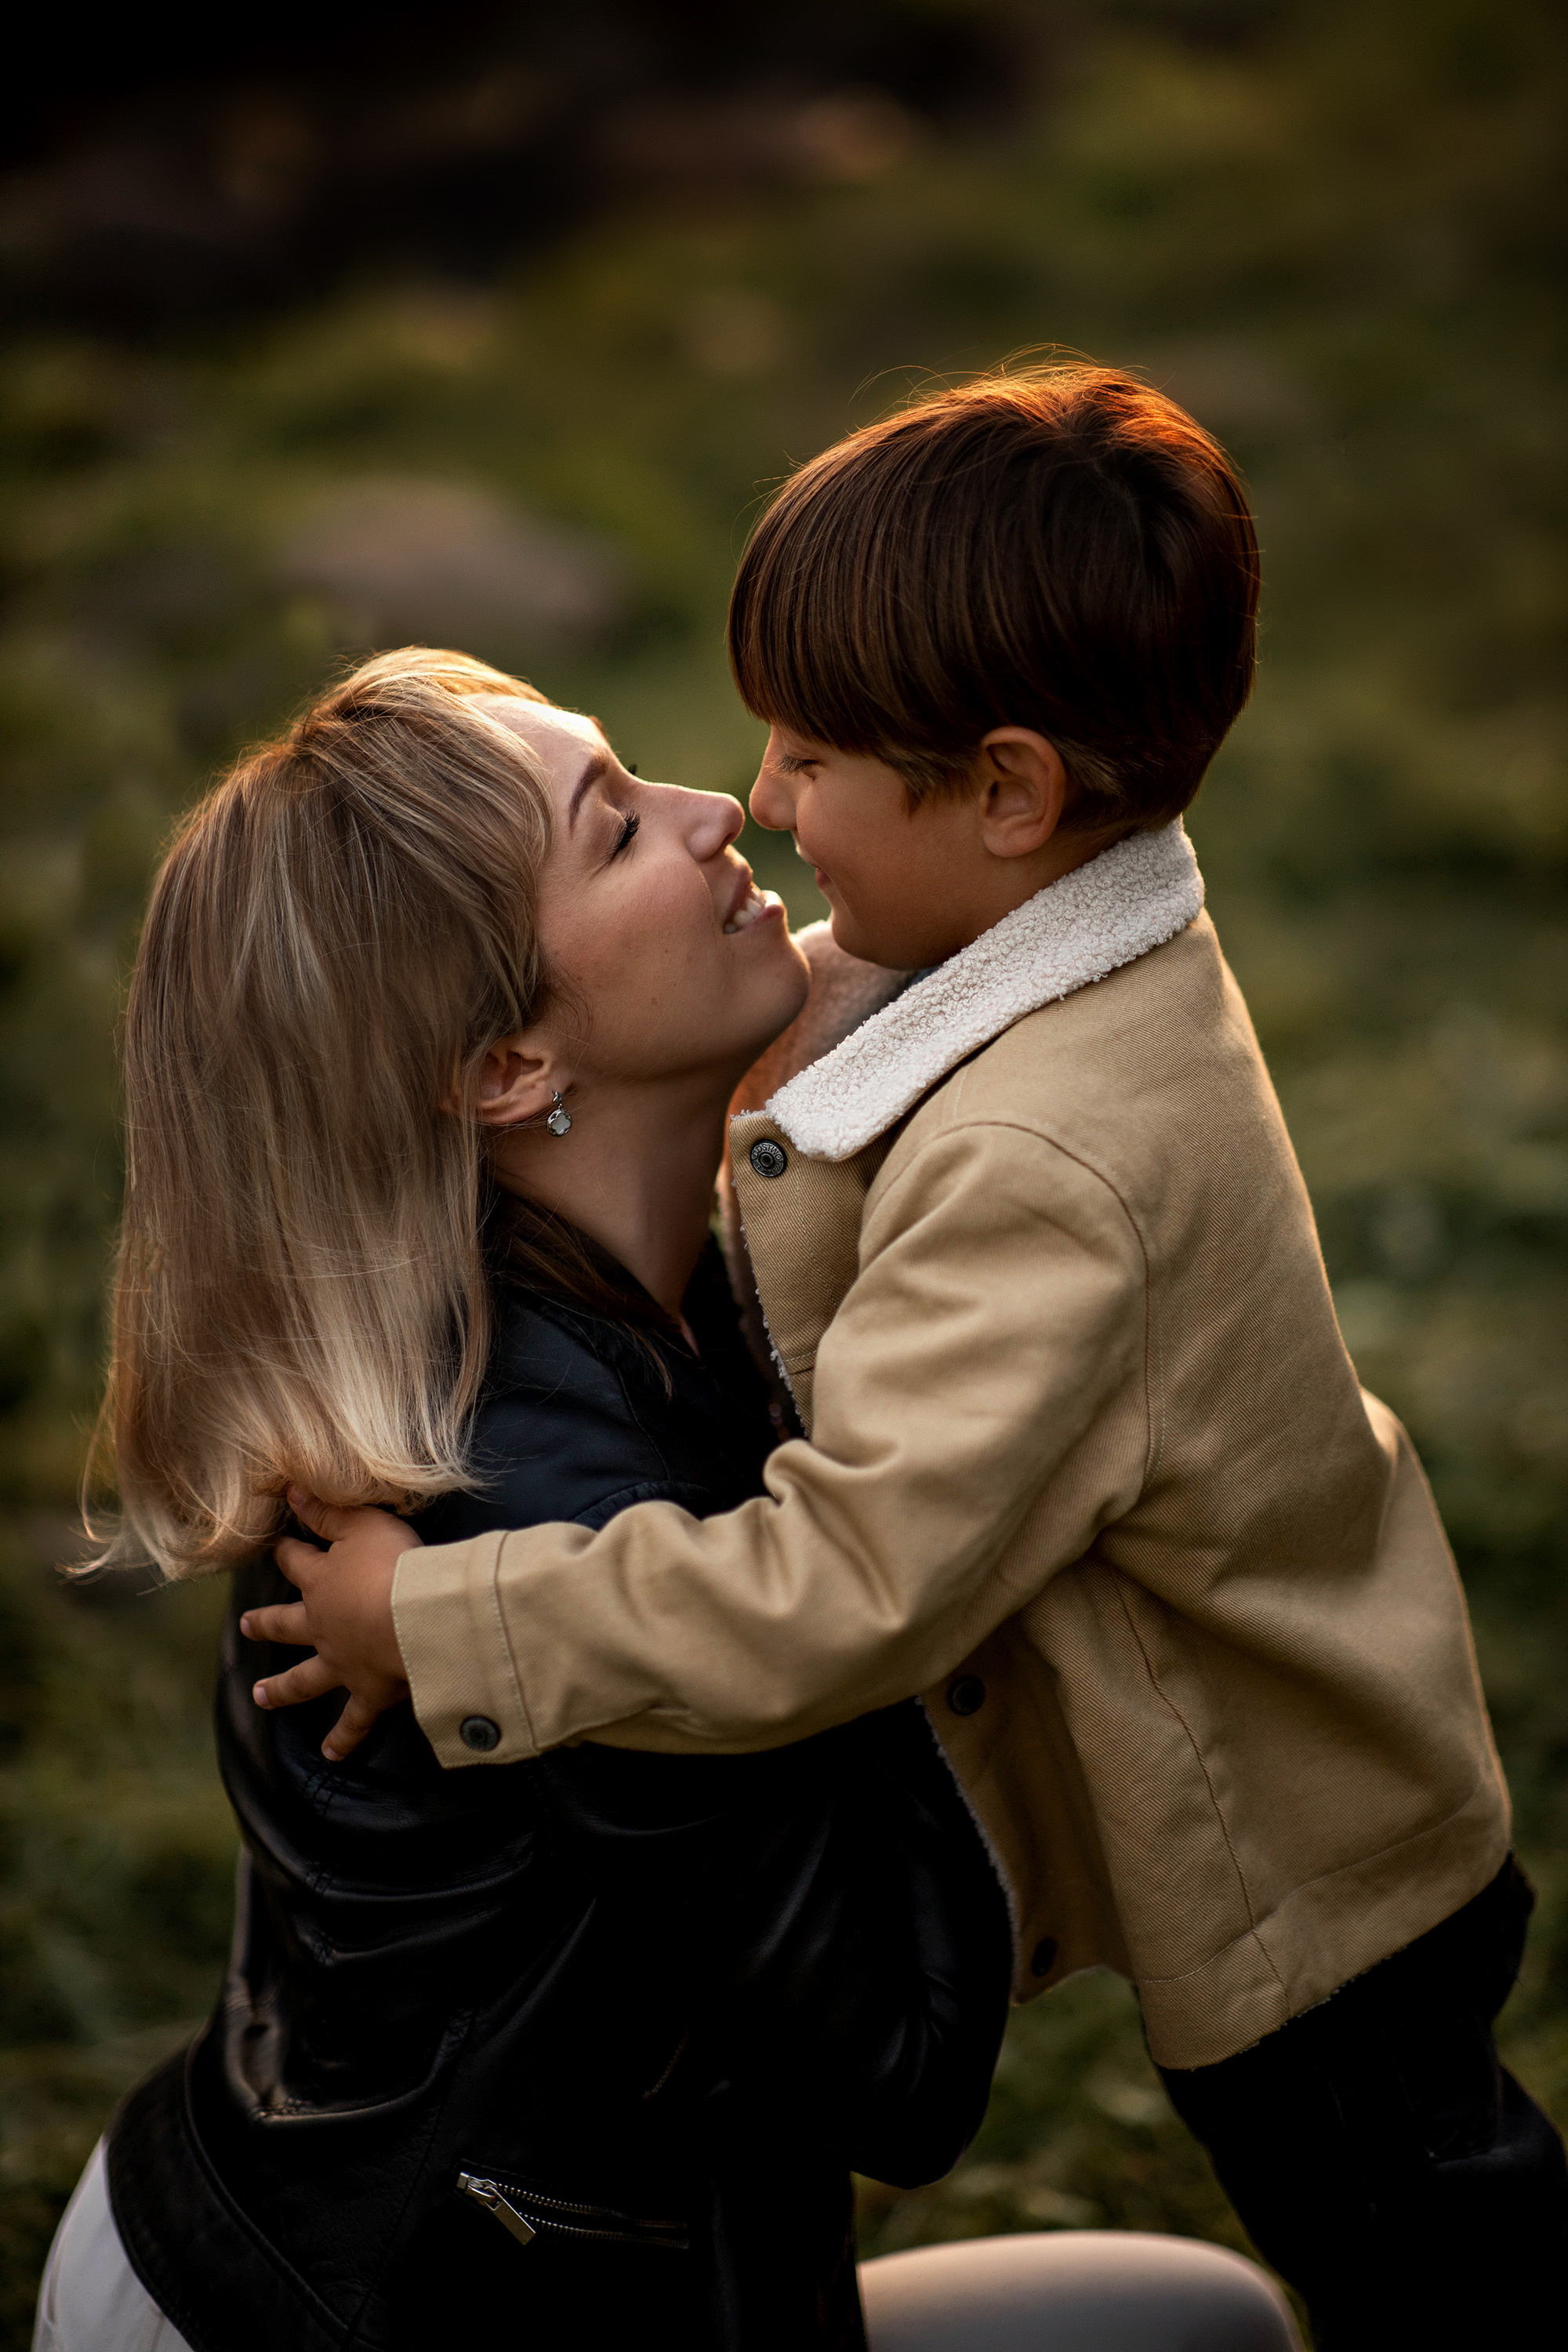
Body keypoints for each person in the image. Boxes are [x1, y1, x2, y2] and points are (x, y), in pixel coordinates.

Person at [250, 365, 1568, 2348]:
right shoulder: (1075, 932)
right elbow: (851, 1025)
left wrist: (446, 1626)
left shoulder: (1046, 1164)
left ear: (1008, 793)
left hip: (1305, 1899)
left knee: (1441, 2276)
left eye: (810, 756)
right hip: (1351, 1771)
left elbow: (847, 1585)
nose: (762, 802)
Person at [41, 650, 1018, 2352]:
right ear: (504, 1065)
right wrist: (933, 1551)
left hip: (294, 2237)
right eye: (617, 829)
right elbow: (905, 2069)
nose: (723, 812)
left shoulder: (631, 1309)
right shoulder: (548, 1531)